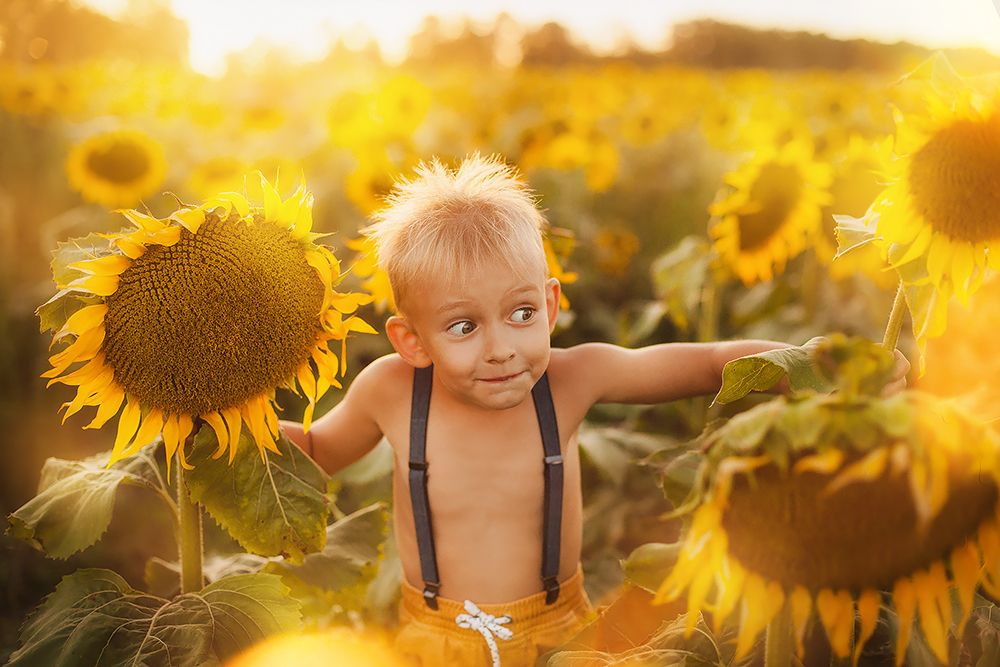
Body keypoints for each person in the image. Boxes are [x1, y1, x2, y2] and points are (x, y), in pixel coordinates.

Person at [280, 154, 909, 667]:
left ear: (551, 306)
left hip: (560, 632)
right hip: (434, 637)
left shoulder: (572, 378)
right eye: (464, 326)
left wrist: (806, 362)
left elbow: (710, 361)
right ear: (412, 340)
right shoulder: (391, 390)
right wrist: (219, 418)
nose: (502, 348)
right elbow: (316, 451)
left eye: (521, 314)